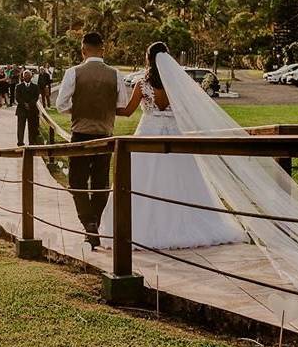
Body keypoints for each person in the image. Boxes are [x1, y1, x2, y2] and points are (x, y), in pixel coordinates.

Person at [101, 42, 247, 249]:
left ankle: (140, 227)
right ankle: (190, 223)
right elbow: (189, 110)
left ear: (148, 59)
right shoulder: (177, 85)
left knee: (143, 178)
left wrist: (106, 106)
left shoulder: (142, 85)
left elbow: (126, 111)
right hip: (175, 134)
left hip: (148, 133)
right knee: (183, 177)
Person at [55, 32, 128, 248]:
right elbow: (121, 104)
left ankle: (89, 225)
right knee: (100, 183)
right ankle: (93, 222)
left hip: (80, 134)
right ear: (103, 49)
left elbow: (61, 104)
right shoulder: (115, 74)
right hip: (105, 134)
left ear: (83, 50)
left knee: (76, 182)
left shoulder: (73, 72)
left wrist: (79, 111)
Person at [14, 69, 41, 147]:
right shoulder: (18, 86)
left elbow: (36, 97)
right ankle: (20, 142)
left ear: (31, 76)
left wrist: (30, 104)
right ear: (23, 77)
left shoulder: (35, 87)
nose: (27, 77)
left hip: (32, 109)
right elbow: (17, 98)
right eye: (25, 76)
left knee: (31, 127)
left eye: (28, 75)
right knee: (21, 127)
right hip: (21, 109)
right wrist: (24, 104)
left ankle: (31, 142)